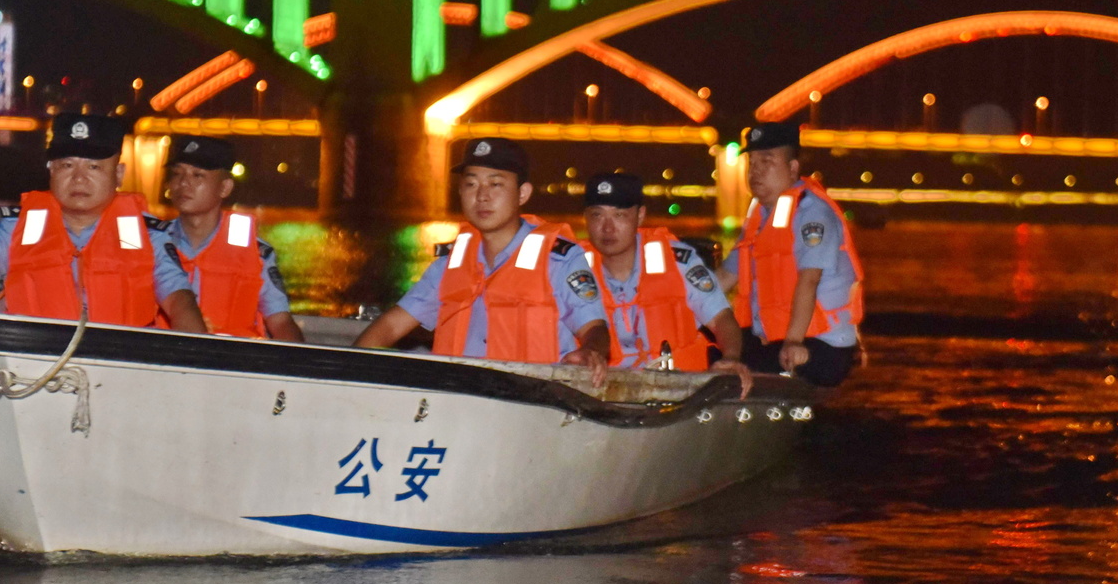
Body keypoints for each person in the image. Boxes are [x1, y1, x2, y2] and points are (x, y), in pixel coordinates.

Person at [0, 113, 207, 333]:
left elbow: (179, 299)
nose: (79, 177)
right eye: (67, 164)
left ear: (118, 174)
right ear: (51, 170)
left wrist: (198, 355)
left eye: (94, 167)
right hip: (33, 365)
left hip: (122, 370)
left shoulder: (146, 235)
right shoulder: (20, 228)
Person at [353, 136, 610, 385]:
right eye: (471, 184)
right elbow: (390, 326)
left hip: (534, 404)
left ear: (522, 194)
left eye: (495, 184)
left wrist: (591, 351)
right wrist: (345, 371)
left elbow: (595, 328)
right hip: (460, 402)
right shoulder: (450, 264)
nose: (482, 196)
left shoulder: (559, 259)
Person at [718, 121, 863, 387]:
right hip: (774, 339)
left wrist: (793, 342)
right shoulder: (760, 215)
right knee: (707, 352)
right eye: (752, 162)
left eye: (767, 161)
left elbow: (809, 280)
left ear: (793, 167)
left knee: (728, 374)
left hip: (819, 345)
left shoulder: (812, 214)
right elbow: (726, 276)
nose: (755, 171)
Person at [576, 171, 750, 382]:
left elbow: (721, 318)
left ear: (640, 216)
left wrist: (731, 358)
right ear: (585, 218)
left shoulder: (678, 261)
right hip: (603, 392)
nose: (607, 228)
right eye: (597, 215)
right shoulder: (573, 268)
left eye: (619, 215)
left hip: (678, 390)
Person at [159, 134, 303, 341]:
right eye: (177, 174)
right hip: (163, 359)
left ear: (225, 188)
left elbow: (280, 321)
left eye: (197, 175)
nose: (183, 184)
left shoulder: (257, 253)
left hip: (232, 363)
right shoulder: (152, 242)